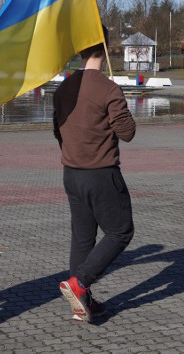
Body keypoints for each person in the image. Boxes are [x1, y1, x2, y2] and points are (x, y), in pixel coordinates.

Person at [53, 26, 136, 323]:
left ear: (80, 49)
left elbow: (57, 131)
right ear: (106, 47)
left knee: (83, 238)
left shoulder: (64, 88)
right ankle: (80, 282)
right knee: (120, 231)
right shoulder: (108, 88)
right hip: (101, 174)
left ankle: (82, 302)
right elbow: (127, 133)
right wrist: (120, 107)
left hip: (71, 173)